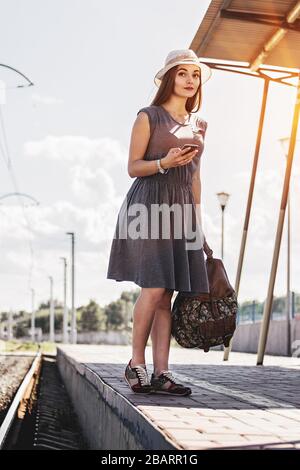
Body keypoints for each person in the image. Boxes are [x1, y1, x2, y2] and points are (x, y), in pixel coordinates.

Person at [106, 49, 212, 396]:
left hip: (181, 210)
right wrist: (164, 162)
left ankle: (162, 372)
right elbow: (133, 167)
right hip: (149, 205)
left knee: (167, 291)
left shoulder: (200, 125)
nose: (189, 80)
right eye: (182, 73)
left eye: (194, 75)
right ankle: (136, 363)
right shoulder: (148, 116)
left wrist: (197, 222)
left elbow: (195, 177)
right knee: (153, 286)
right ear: (169, 78)